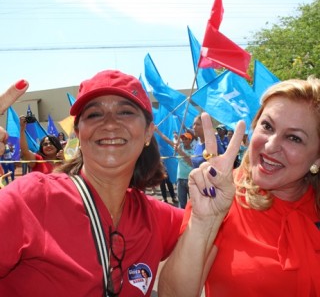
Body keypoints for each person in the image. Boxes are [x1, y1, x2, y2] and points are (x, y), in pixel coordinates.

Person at [0, 70, 184, 297]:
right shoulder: (29, 200)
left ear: (148, 132)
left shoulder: (160, 219)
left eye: (126, 112)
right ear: (78, 132)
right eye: (95, 115)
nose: (109, 124)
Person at [158, 77, 320, 297]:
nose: (271, 146)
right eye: (267, 126)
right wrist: (204, 223)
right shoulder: (220, 196)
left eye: (293, 138)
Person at [155, 126, 193, 208]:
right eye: (183, 139)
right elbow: (168, 140)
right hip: (180, 179)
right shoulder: (179, 148)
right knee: (182, 204)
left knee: (193, 204)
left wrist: (180, 151)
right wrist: (158, 131)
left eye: (186, 139)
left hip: (191, 180)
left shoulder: (194, 151)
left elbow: (190, 161)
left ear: (190, 140)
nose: (184, 140)